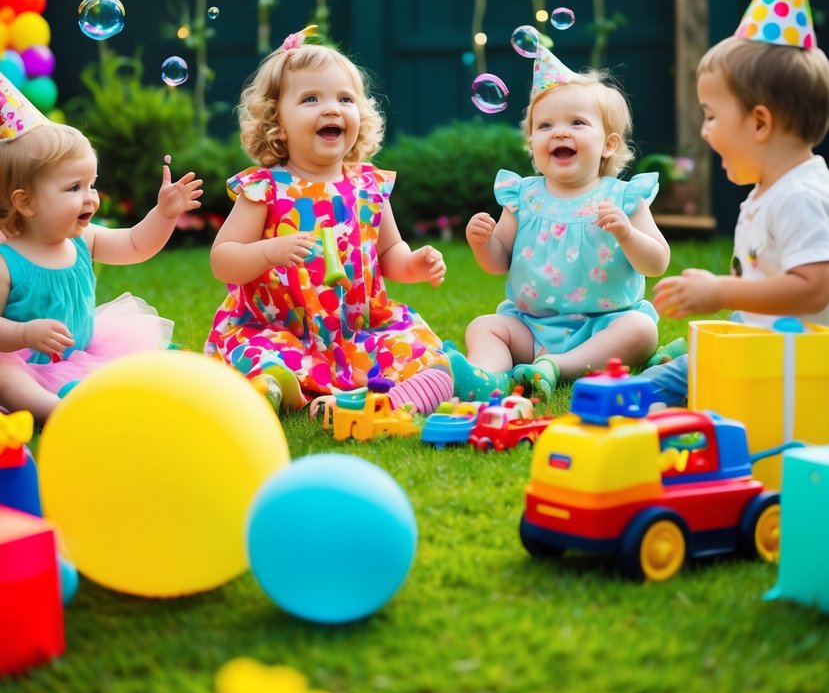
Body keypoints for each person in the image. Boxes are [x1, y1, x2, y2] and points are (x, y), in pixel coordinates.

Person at [205, 26, 452, 415]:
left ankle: (382, 401)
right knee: (265, 360)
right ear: (277, 122)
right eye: (310, 99)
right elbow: (223, 258)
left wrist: (412, 264)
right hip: (279, 330)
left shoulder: (369, 186)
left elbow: (389, 251)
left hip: (357, 331)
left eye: (345, 99)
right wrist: (269, 252)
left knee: (427, 357)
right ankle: (279, 389)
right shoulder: (266, 189)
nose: (332, 109)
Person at [645, 0, 829, 404]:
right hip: (763, 355)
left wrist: (722, 293)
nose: (705, 131)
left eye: (710, 115)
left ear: (760, 123)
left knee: (651, 395)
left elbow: (813, 290)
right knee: (652, 385)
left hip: (795, 374)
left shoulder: (802, 197)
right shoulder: (772, 191)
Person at [448, 41, 670, 401]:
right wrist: (483, 243)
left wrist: (627, 235)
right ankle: (487, 376)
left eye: (577, 123)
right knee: (485, 326)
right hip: (530, 326)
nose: (559, 132)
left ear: (608, 145)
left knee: (641, 329)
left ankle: (557, 366)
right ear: (532, 142)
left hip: (604, 325)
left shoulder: (623, 198)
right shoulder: (522, 197)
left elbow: (657, 262)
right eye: (545, 125)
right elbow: (497, 262)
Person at [0, 73, 203, 422]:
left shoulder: (83, 239)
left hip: (82, 353)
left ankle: (94, 395)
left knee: (134, 368)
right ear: (26, 203)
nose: (90, 197)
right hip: (22, 359)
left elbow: (136, 244)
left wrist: (164, 214)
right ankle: (57, 411)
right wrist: (22, 333)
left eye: (92, 184)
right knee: (6, 378)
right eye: (74, 187)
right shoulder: (8, 261)